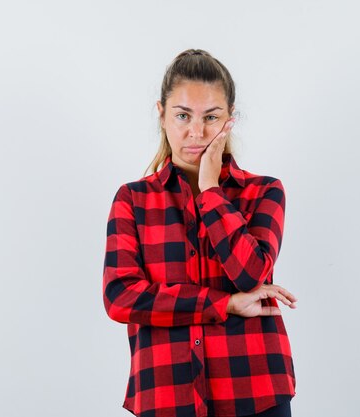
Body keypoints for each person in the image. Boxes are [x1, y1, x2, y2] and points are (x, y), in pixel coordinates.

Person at [102, 49, 298, 417]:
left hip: (255, 391)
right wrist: (223, 304)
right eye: (182, 116)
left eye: (211, 117)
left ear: (230, 120)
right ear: (161, 115)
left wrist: (210, 189)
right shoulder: (132, 200)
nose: (197, 132)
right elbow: (120, 297)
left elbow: (250, 273)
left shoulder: (264, 192)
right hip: (167, 395)